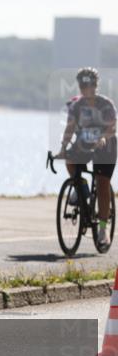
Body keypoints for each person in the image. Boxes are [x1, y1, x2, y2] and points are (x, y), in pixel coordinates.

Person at [58, 67, 117, 243]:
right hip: (84, 143)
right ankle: (81, 187)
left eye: (89, 85)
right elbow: (69, 127)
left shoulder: (105, 104)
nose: (85, 89)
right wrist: (63, 146)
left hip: (106, 145)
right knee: (69, 159)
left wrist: (104, 138)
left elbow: (112, 127)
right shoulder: (77, 105)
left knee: (102, 183)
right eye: (82, 86)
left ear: (95, 86)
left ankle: (102, 229)